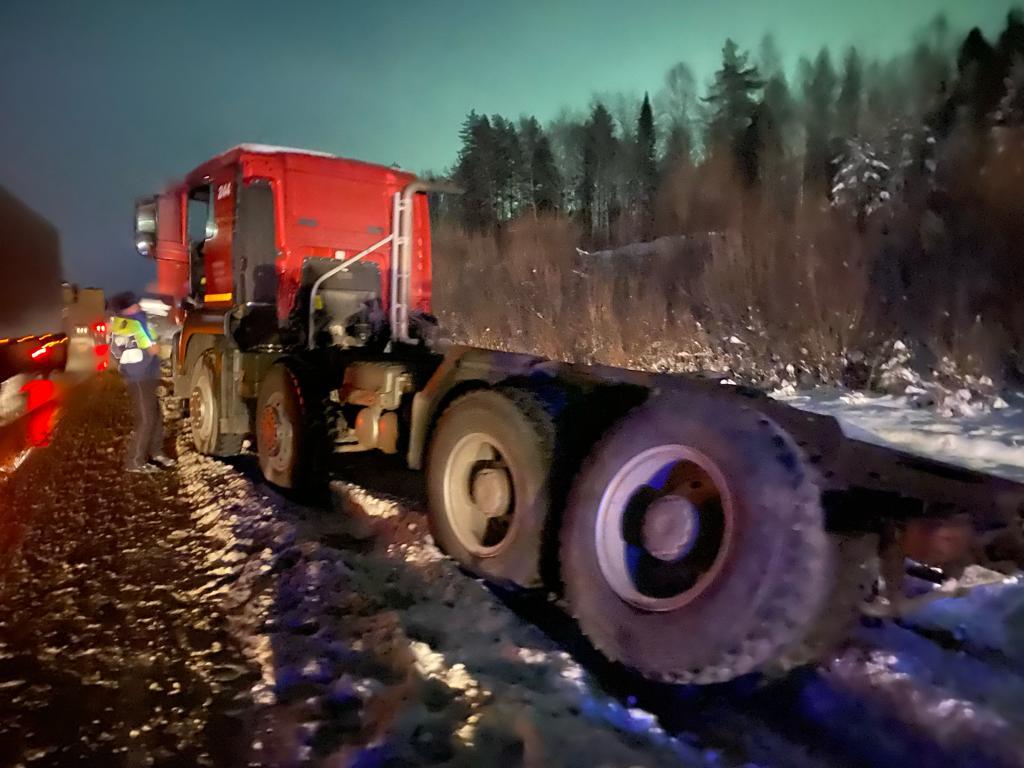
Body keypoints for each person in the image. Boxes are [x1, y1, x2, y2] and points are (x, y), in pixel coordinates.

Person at [108, 291, 175, 473]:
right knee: (147, 419)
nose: (138, 305)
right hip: (139, 376)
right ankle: (134, 461)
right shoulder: (130, 324)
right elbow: (145, 349)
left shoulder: (131, 322)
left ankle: (155, 451)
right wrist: (150, 351)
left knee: (156, 417)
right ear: (126, 309)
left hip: (146, 374)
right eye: (133, 304)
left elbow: (122, 349)